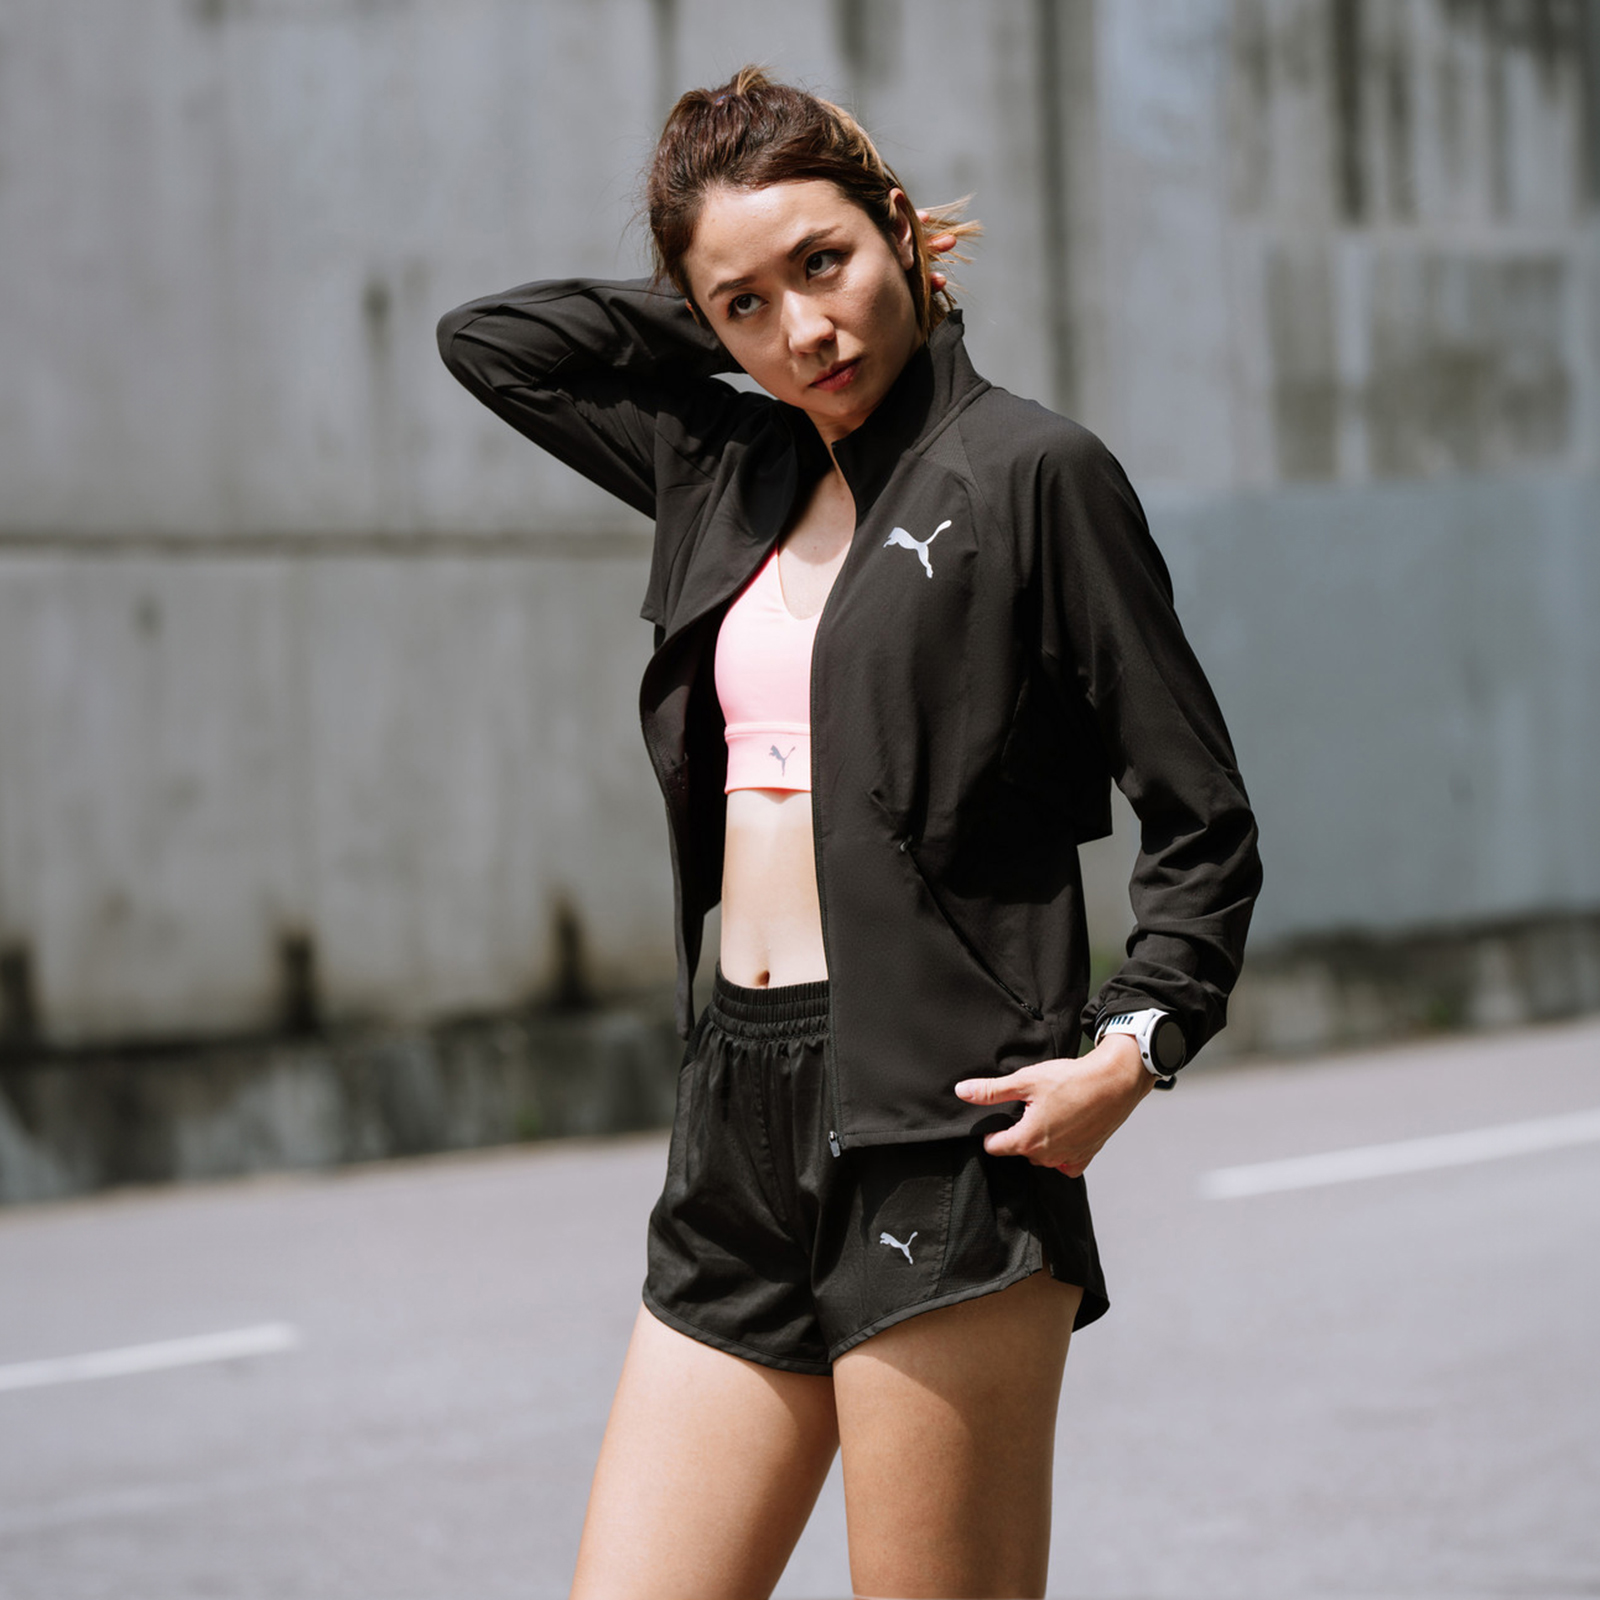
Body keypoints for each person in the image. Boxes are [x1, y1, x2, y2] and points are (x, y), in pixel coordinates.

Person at [438, 66, 1260, 1600]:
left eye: (825, 263)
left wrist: (1137, 1045)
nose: (804, 331)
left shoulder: (1029, 475)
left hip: (943, 1130)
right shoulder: (722, 465)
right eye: (747, 306)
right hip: (735, 1114)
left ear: (899, 226)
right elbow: (496, 345)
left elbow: (1200, 812)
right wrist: (726, 298)